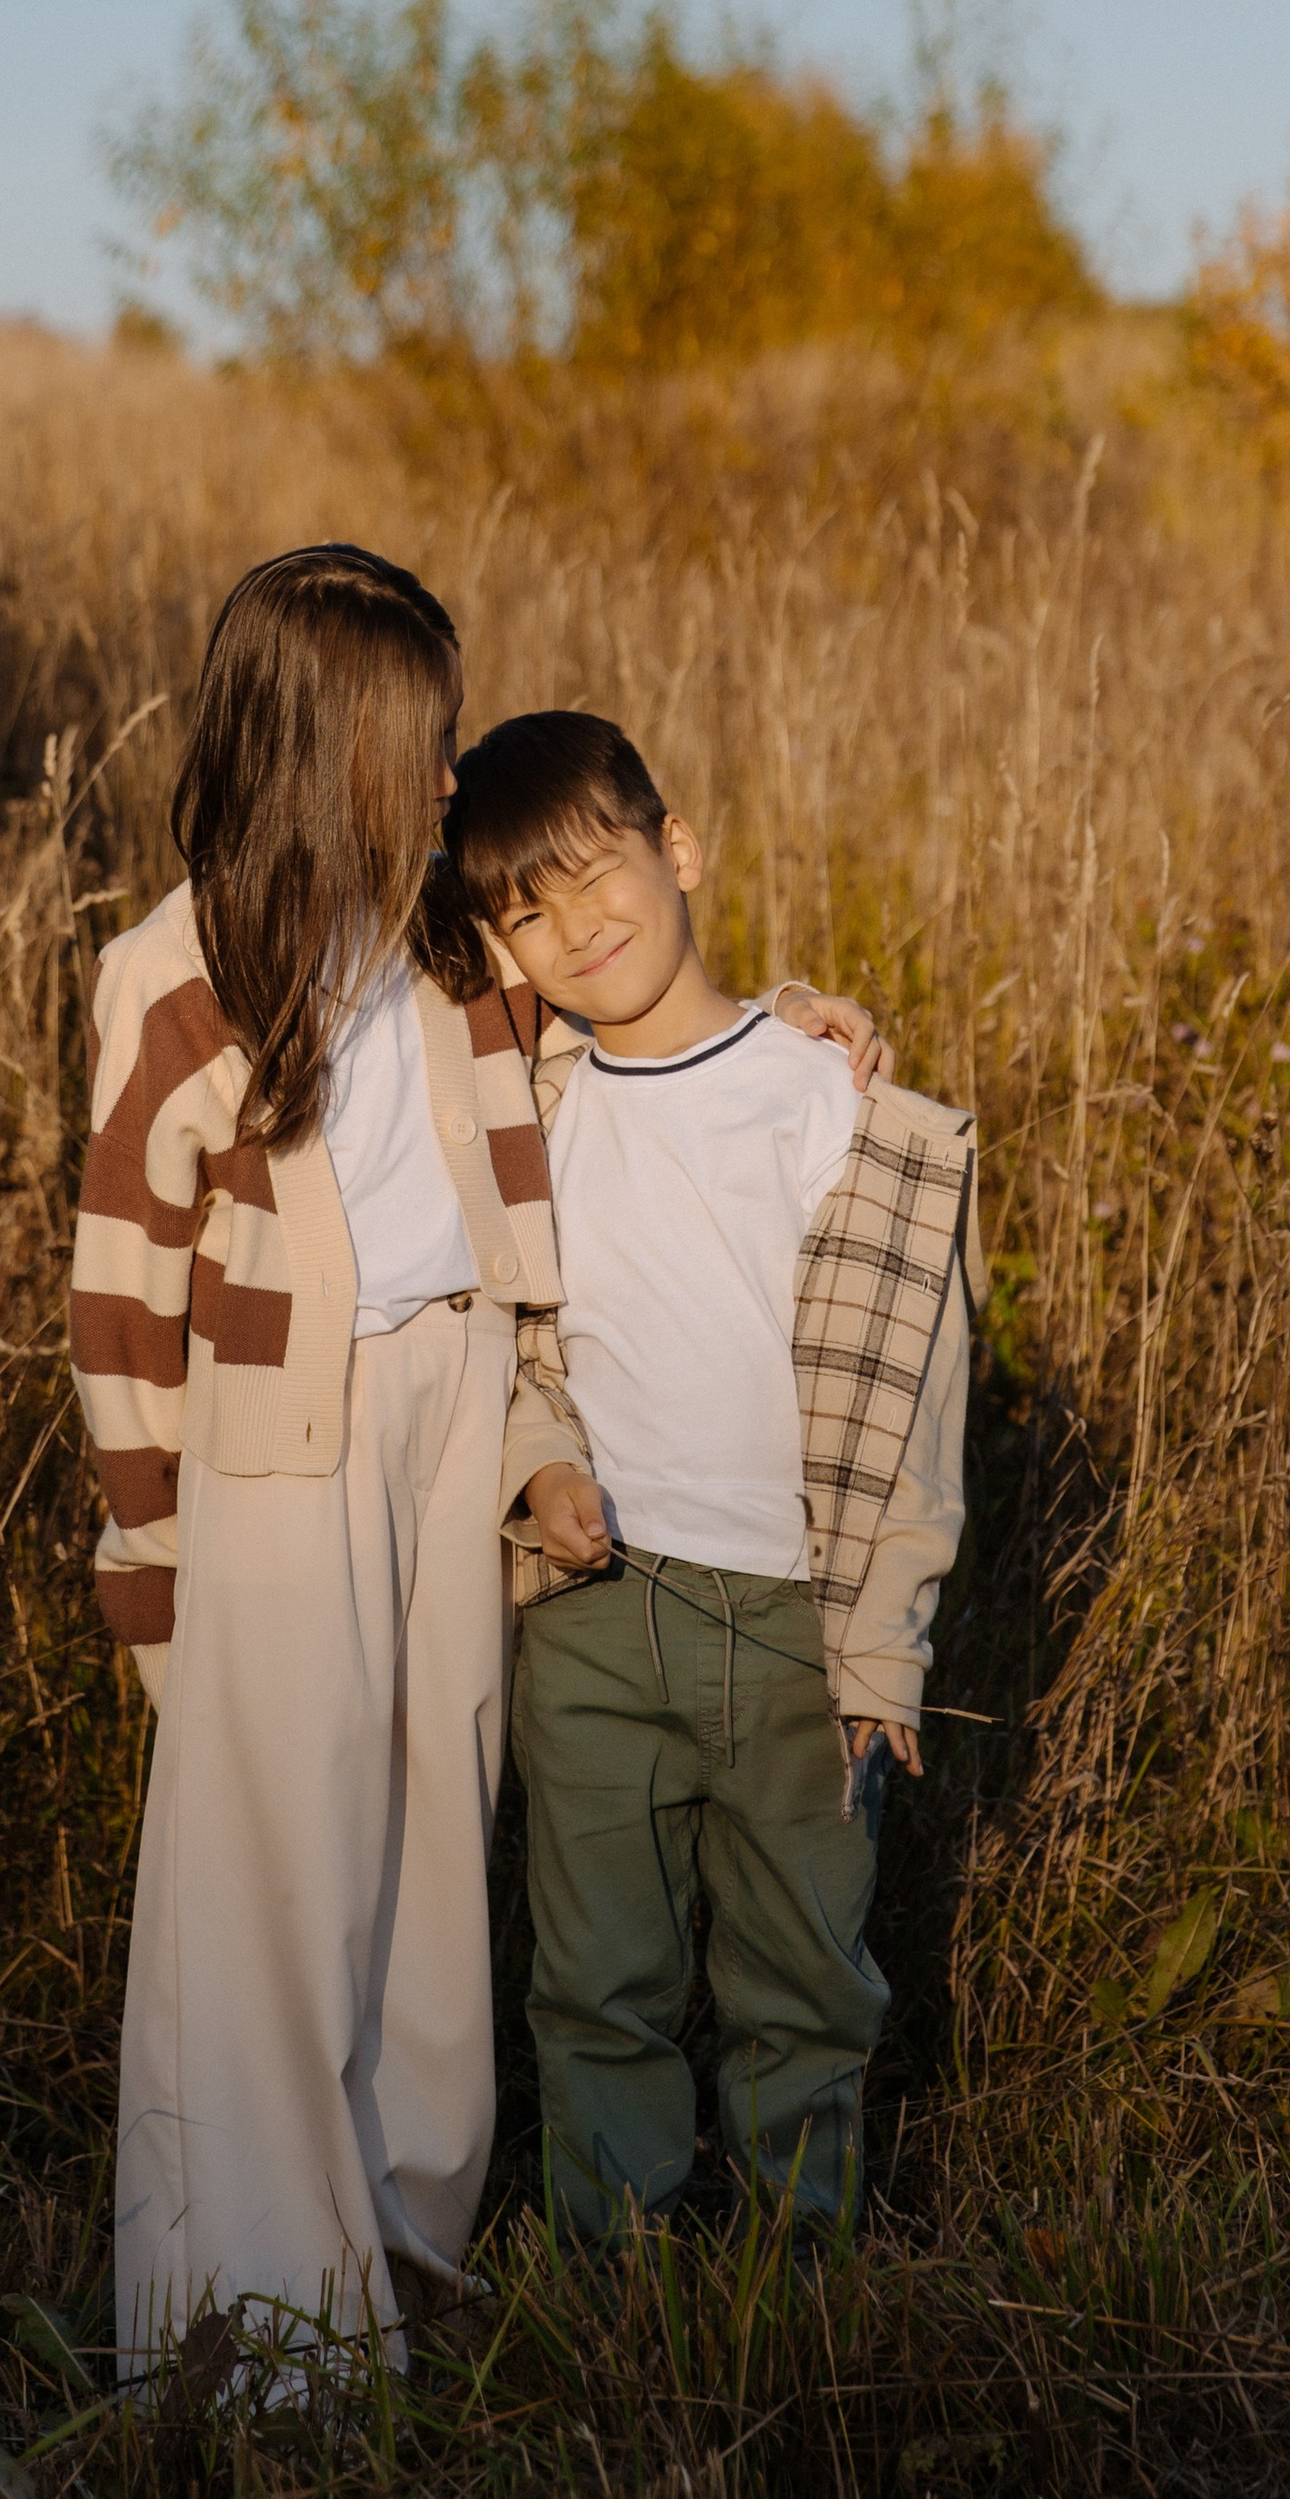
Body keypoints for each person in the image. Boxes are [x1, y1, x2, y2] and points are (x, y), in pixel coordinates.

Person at [64, 546, 885, 2373]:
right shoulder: (175, 974)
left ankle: (407, 2250)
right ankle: (259, 2327)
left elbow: (638, 1028)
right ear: (329, 741)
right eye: (423, 743)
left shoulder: (456, 940)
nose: (450, 780)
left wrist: (804, 1038)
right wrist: (151, 1566)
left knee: (440, 1850)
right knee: (277, 1875)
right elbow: (118, 1315)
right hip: (280, 1448)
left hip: (465, 1420)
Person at [444, 706, 979, 2243]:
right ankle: (614, 2274)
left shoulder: (838, 1108)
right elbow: (529, 1358)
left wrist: (885, 1647)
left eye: (596, 874)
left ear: (679, 852)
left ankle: (797, 2275)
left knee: (802, 1975)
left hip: (798, 1629)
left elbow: (917, 1411)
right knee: (596, 1974)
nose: (573, 927)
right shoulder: (540, 1116)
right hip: (602, 1613)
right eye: (522, 912)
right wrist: (540, 1478)